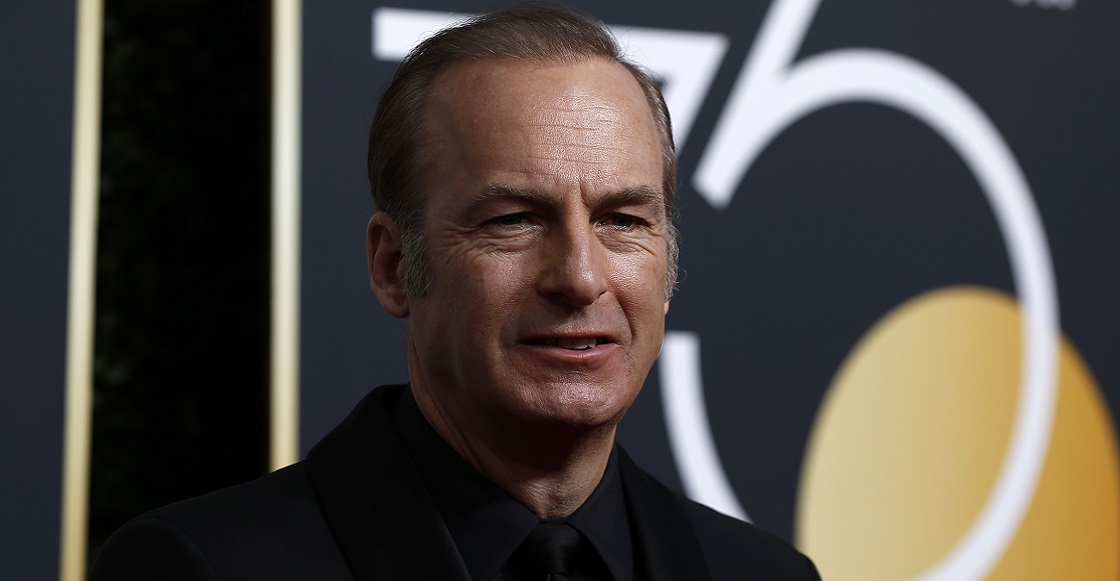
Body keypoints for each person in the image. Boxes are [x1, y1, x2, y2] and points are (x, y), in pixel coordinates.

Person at [91, 6, 820, 580]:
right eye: (513, 220)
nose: (581, 276)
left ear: (667, 268)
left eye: (622, 220)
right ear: (393, 265)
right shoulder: (202, 566)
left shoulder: (764, 573)